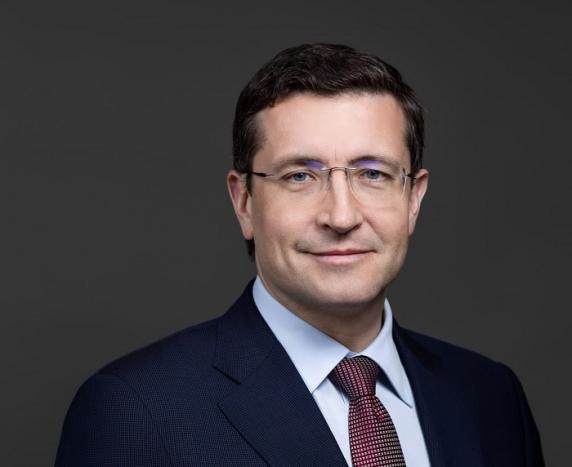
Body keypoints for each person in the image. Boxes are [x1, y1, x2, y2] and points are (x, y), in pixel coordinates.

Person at [55, 43, 544, 466]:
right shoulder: (136, 411)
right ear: (244, 202)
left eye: (372, 174)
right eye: (300, 176)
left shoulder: (490, 397)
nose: (341, 215)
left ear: (413, 198)